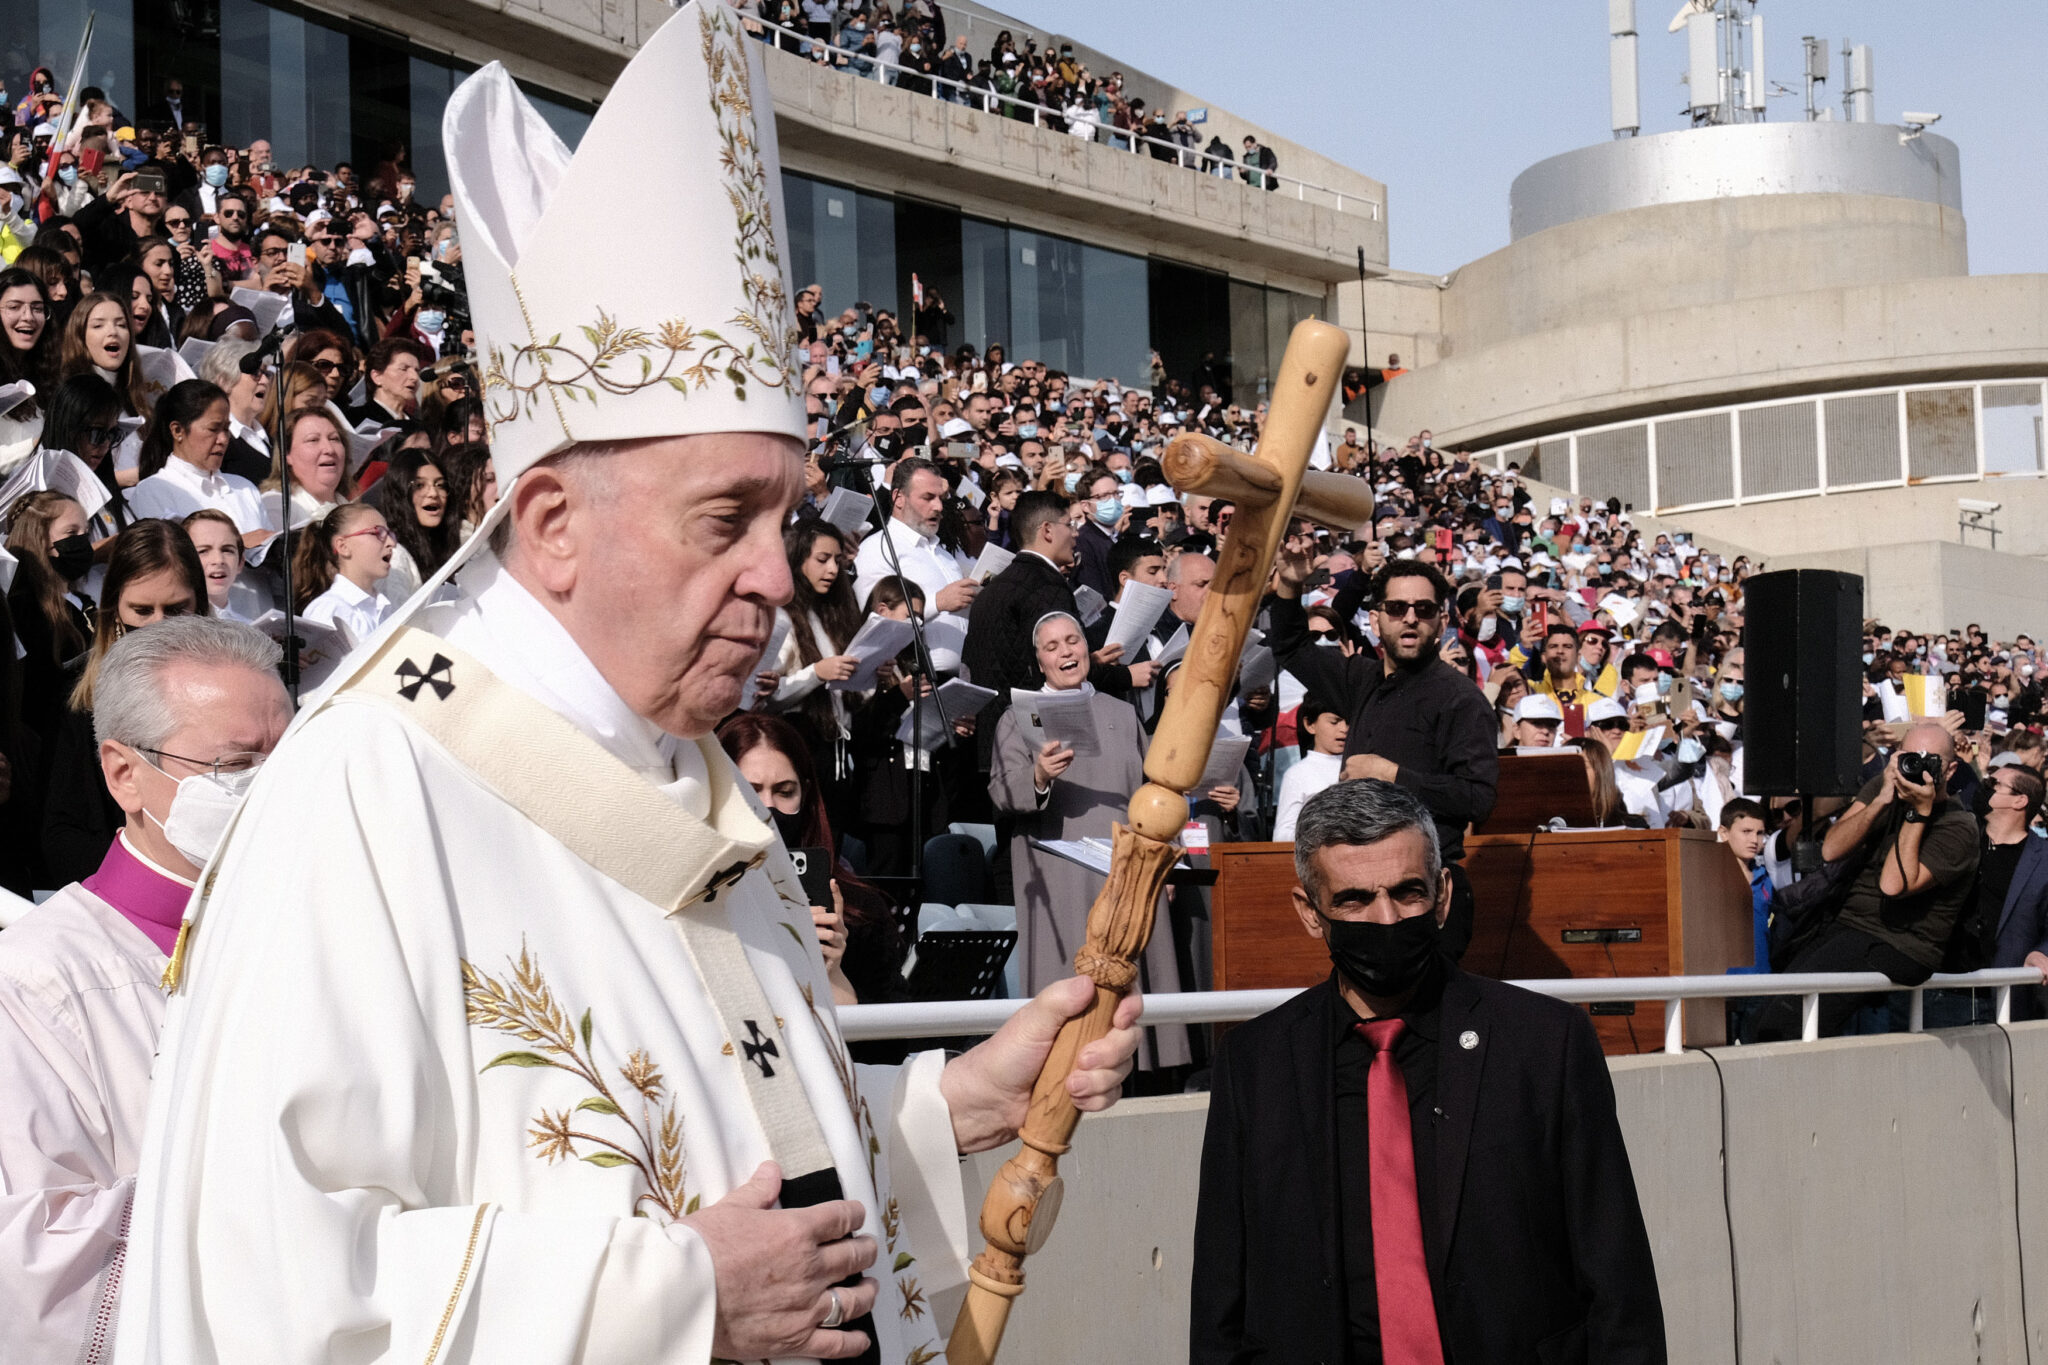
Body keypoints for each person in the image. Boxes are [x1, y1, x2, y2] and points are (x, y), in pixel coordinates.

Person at [115, 19, 1142, 1363]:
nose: (775, 574)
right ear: (549, 522)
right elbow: (265, 1288)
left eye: (784, 516)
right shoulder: (368, 789)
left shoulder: (692, 778)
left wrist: (955, 1111)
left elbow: (754, 1173)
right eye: (724, 518)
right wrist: (673, 1301)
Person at [1191, 778, 1666, 1364]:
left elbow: (1616, 1275)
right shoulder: (1254, 1064)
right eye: (1354, 900)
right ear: (1310, 912)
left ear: (1442, 896)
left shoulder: (1545, 1042)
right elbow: (1220, 1294)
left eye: (1407, 892)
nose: (1386, 918)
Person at [0, 617, 290, 1359]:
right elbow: (35, 1260)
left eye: (287, 759)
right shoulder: (35, 981)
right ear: (124, 774)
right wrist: (298, 1210)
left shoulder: (323, 926)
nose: (272, 789)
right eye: (235, 764)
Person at [1270, 554, 1499, 961]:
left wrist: (1391, 775)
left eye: (1424, 609)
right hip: (1356, 889)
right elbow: (1290, 645)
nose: (1410, 618)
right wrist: (1288, 586)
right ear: (1375, 621)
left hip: (1422, 894)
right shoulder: (1360, 679)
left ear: (1441, 622)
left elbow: (1476, 797)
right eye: (1396, 608)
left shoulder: (1461, 699)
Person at [989, 611, 1187, 1069]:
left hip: (1129, 866)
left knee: (1136, 982)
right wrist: (1039, 775)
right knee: (1071, 987)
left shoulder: (1121, 711)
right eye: (1052, 646)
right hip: (1060, 869)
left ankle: (1144, 1073)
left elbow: (1155, 791)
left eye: (1073, 641)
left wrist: (1169, 862)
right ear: (1039, 662)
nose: (1066, 652)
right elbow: (1001, 790)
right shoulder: (1018, 717)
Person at [1748, 723, 1982, 1042]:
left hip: (1899, 944)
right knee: (1767, 1016)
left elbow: (1893, 885)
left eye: (1930, 760)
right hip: (1847, 925)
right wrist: (1881, 801)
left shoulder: (1959, 826)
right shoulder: (1883, 788)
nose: (1918, 766)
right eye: (1909, 756)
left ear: (1951, 769)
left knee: (1790, 1022)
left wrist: (1918, 812)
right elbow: (1831, 850)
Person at [42, 520, 208, 888]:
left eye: (176, 609)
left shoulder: (232, 688)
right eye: (142, 611)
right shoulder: (81, 700)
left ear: (199, 601)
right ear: (115, 607)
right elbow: (63, 832)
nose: (158, 626)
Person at [718, 711, 907, 1007]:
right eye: (750, 792)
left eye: (784, 792)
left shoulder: (859, 909)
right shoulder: (695, 902)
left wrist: (831, 971)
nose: (768, 807)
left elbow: (890, 1030)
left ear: (804, 794)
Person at [127, 380, 270, 544]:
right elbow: (162, 554)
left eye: (226, 429)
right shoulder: (153, 491)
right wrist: (240, 544)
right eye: (213, 429)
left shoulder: (245, 488)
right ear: (178, 431)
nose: (223, 439)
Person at [850, 455, 978, 617]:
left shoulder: (943, 554)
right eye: (928, 497)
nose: (939, 506)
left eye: (940, 498)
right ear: (899, 498)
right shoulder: (876, 550)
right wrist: (937, 603)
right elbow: (874, 619)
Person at [293, 502, 399, 641]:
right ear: (343, 546)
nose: (391, 542)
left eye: (390, 534)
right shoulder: (328, 610)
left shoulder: (384, 607)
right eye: (378, 533)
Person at [369, 445, 459, 602]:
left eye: (440, 485)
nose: (433, 493)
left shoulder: (446, 547)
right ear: (400, 493)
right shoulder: (394, 555)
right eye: (419, 485)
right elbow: (396, 614)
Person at [258, 404, 356, 531]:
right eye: (313, 440)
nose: (329, 449)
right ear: (286, 455)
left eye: (334, 439)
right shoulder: (278, 506)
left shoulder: (347, 506)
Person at [1273, 692, 1346, 841]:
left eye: (1349, 721)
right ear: (1310, 725)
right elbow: (1282, 835)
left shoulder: (1364, 764)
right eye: (1334, 722)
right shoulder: (1298, 774)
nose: (1344, 728)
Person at [183, 507, 263, 622]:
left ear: (240, 563)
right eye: (203, 551)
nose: (218, 560)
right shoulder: (168, 623)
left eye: (227, 550)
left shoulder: (248, 627)